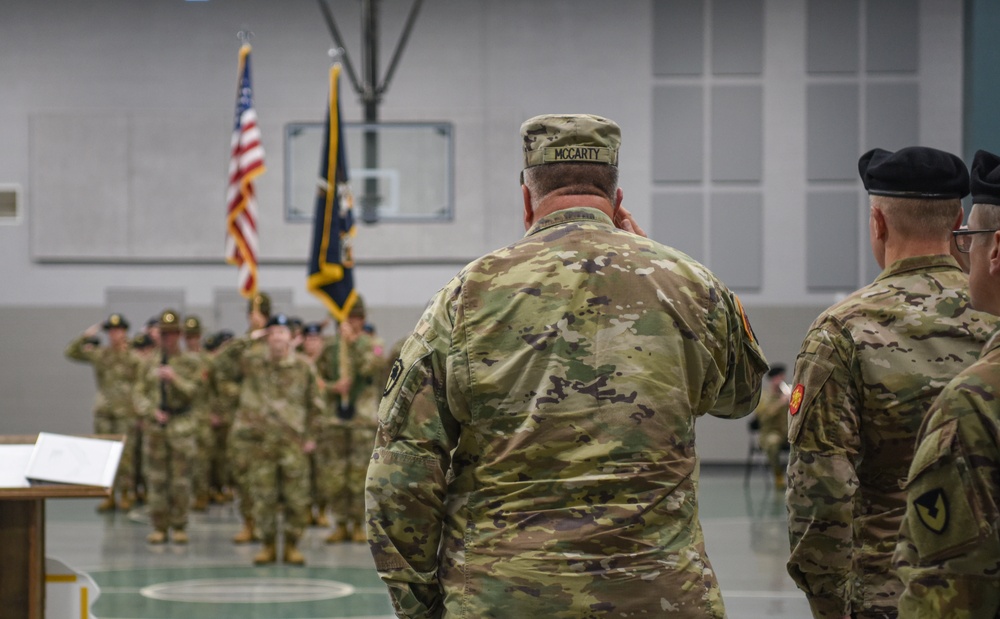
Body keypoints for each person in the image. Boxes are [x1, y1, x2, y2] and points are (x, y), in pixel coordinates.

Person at [365, 113, 768, 618]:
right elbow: (741, 398)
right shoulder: (690, 284)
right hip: (660, 597)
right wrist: (668, 269)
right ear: (617, 199)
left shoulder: (467, 295)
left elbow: (400, 474)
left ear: (527, 199)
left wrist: (420, 608)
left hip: (505, 599)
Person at [785, 146, 994, 619]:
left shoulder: (842, 330)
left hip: (888, 590)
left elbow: (820, 490)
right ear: (959, 220)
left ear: (877, 222)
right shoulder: (992, 312)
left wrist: (829, 601)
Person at [894, 149, 1000, 617]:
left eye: (969, 239)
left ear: (995, 250)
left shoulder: (977, 399)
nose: (964, 252)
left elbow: (950, 594)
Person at [235, 313, 325, 565]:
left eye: (282, 332)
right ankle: (268, 545)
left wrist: (312, 437)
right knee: (264, 497)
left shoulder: (303, 366)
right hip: (262, 444)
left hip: (293, 445)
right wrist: (250, 337)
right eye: (272, 332)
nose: (277, 338)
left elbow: (315, 405)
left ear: (292, 337)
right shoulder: (254, 363)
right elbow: (222, 363)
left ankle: (292, 545)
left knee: (297, 498)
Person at [64, 313, 142, 512]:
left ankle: (126, 494)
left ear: (124, 332)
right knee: (105, 455)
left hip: (126, 411)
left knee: (126, 455)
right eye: (111, 331)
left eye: (118, 330)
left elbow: (144, 381)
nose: (114, 335)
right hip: (104, 410)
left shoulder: (133, 356)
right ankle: (109, 495)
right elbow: (71, 352)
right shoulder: (101, 354)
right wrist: (87, 335)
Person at [137, 309, 201, 544]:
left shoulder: (190, 362)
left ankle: (179, 524)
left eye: (173, 334)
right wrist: (150, 411)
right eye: (164, 334)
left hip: (181, 427)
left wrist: (175, 379)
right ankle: (159, 526)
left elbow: (196, 392)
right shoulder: (148, 363)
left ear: (180, 335)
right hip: (157, 429)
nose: (168, 339)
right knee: (156, 480)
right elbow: (138, 394)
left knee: (181, 481)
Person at [324, 297, 385, 544]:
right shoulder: (332, 348)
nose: (353, 323)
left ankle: (359, 524)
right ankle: (339, 523)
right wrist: (332, 387)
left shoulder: (373, 344)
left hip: (362, 419)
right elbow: (313, 377)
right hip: (337, 418)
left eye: (358, 318)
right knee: (336, 474)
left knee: (361, 474)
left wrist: (355, 343)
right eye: (350, 318)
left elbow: (371, 367)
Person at [214, 292, 272, 543]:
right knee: (244, 475)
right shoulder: (241, 347)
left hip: (272, 423)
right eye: (251, 314)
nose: (255, 319)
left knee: (268, 478)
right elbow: (220, 367)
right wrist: (240, 394)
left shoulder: (277, 343)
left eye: (259, 314)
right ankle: (249, 523)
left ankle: (267, 527)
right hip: (245, 422)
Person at [753, 364, 790, 489]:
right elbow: (763, 416)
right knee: (772, 443)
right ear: (772, 379)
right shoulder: (763, 397)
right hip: (769, 433)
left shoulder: (787, 395)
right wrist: (781, 403)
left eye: (782, 377)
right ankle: (778, 475)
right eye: (778, 377)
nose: (781, 380)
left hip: (787, 433)